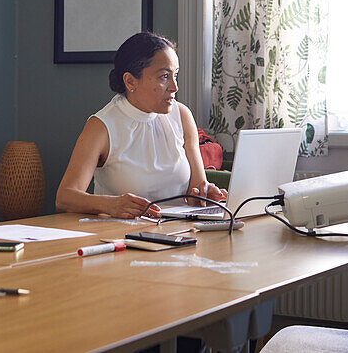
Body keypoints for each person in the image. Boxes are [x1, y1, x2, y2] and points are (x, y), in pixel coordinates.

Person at [56, 31, 227, 219]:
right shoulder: (101, 126)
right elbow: (65, 197)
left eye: (175, 75)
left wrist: (205, 194)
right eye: (164, 77)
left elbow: (196, 191)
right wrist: (110, 204)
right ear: (130, 81)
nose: (174, 87)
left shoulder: (183, 115)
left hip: (180, 235)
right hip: (121, 238)